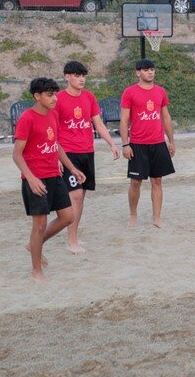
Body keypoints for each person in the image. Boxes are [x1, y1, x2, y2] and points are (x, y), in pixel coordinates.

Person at [13, 77, 86, 282]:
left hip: (55, 175)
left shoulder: (53, 115)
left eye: (55, 93)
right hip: (36, 179)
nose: (54, 98)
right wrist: (31, 178)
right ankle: (36, 271)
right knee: (39, 225)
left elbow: (56, 145)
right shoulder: (27, 118)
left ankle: (34, 245)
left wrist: (72, 168)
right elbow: (16, 154)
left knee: (67, 216)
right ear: (37, 96)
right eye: (49, 94)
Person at [55, 60, 121, 254]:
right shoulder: (58, 99)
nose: (81, 79)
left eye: (83, 75)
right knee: (74, 196)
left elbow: (98, 124)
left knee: (80, 198)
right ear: (67, 77)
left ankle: (74, 235)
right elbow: (53, 128)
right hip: (68, 153)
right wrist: (57, 157)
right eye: (76, 75)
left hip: (87, 152)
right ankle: (71, 240)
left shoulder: (89, 97)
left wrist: (111, 143)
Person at [119, 59, 175, 228]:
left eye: (152, 69)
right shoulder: (130, 92)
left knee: (157, 181)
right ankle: (133, 214)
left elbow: (165, 117)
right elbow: (124, 120)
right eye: (145, 70)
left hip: (158, 143)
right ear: (138, 73)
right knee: (136, 182)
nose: (150, 72)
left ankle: (156, 217)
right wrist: (125, 144)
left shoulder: (160, 91)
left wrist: (171, 141)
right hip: (137, 144)